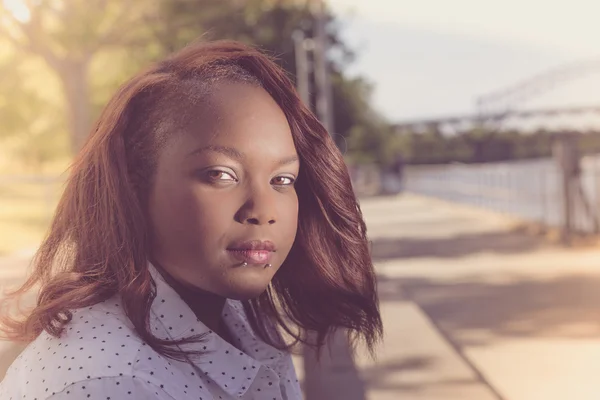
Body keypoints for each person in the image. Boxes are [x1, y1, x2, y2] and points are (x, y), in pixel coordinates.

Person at [0, 40, 382, 400]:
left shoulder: (232, 316)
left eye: (282, 179)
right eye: (221, 174)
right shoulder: (109, 384)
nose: (263, 210)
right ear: (135, 182)